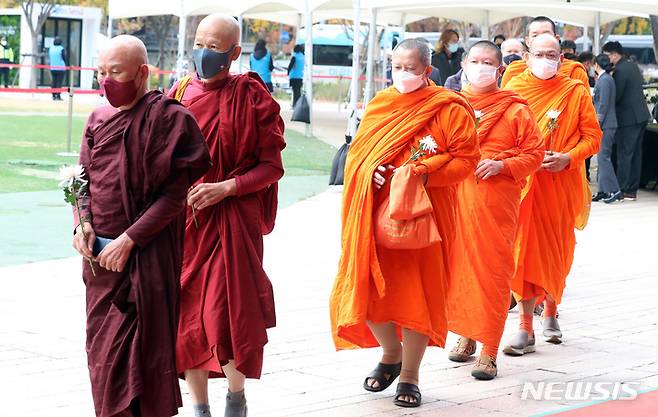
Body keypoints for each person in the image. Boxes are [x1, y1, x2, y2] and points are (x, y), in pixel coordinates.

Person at [330, 38, 479, 408]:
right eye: (397, 67)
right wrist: (372, 175)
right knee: (369, 288)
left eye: (411, 69)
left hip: (427, 219)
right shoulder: (381, 104)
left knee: (419, 295)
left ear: (428, 71)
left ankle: (410, 375)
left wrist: (423, 174)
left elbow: (466, 161)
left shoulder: (448, 108)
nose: (403, 75)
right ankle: (389, 353)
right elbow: (358, 158)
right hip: (377, 216)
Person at [71, 35, 211, 417]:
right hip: (100, 263)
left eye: (115, 72)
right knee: (103, 356)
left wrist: (130, 240)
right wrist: (81, 225)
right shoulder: (97, 119)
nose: (106, 81)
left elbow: (173, 195)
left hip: (148, 257)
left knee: (145, 355)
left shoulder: (169, 119)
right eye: (101, 73)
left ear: (142, 72)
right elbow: (80, 181)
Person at [169, 14, 286, 417]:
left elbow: (271, 168)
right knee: (187, 317)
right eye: (200, 43)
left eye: (215, 47)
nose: (205, 53)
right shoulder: (178, 93)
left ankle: (235, 397)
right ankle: (199, 406)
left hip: (233, 220)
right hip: (186, 225)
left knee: (228, 311)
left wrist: (227, 187)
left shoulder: (252, 96)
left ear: (234, 53)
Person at [446, 41, 544, 380]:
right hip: (457, 199)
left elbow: (533, 155)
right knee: (459, 269)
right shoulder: (452, 105)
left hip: (496, 204)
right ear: (464, 64)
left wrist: (500, 166)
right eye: (475, 61)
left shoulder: (516, 108)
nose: (481, 67)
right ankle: (467, 334)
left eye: (488, 62)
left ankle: (489, 348)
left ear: (500, 68)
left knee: (492, 271)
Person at [503, 34, 601, 355]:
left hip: (560, 186)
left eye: (552, 54)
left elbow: (592, 138)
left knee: (556, 251)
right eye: (539, 54)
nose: (546, 59)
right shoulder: (514, 90)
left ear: (561, 58)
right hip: (524, 187)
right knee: (524, 252)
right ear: (527, 56)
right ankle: (525, 328)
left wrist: (568, 158)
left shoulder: (574, 91)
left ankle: (551, 309)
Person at [602, 41, 652, 201]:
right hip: (641, 116)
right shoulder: (632, 66)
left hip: (628, 119)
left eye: (607, 56)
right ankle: (631, 189)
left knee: (625, 154)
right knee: (636, 153)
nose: (607, 59)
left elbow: (616, 96)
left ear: (614, 54)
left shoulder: (620, 71)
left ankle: (623, 189)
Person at [501, 16, 589, 89]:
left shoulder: (574, 71)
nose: (541, 39)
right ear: (527, 41)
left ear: (557, 39)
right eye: (535, 35)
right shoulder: (514, 71)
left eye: (546, 34)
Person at [591, 54, 623, 204]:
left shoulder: (604, 80)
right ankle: (603, 190)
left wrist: (597, 122)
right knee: (602, 157)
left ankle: (614, 190)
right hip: (607, 123)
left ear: (597, 65)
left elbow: (602, 105)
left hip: (605, 124)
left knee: (604, 158)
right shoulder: (606, 79)